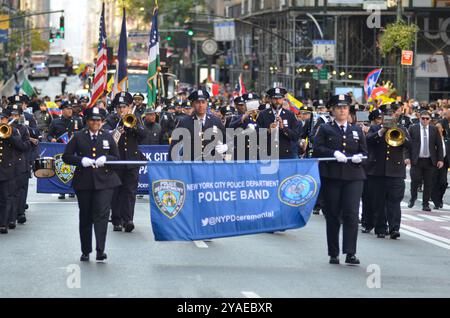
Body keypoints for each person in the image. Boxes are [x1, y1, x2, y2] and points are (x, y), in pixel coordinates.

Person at [313, 94, 368, 265]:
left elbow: (365, 152)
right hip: (333, 176)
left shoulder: (356, 130)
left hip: (353, 176)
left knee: (351, 214)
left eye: (345, 108)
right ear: (333, 110)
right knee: (333, 215)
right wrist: (333, 153)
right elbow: (317, 148)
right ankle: (333, 253)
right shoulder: (325, 129)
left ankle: (350, 252)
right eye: (339, 108)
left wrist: (360, 156)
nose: (342, 111)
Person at [62, 106, 121, 262]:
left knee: (102, 215)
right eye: (92, 120)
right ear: (87, 121)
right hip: (85, 181)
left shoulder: (108, 137)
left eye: (98, 120)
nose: (96, 123)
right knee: (86, 216)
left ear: (102, 122)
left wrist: (106, 160)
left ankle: (100, 250)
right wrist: (80, 160)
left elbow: (117, 157)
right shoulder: (78, 136)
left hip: (105, 181)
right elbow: (66, 156)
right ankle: (86, 250)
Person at [364, 108, 411, 239]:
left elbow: (410, 145)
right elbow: (368, 140)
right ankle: (380, 228)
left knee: (395, 201)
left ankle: (394, 228)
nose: (390, 119)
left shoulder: (402, 129)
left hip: (396, 172)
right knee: (378, 202)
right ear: (383, 118)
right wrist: (382, 130)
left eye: (392, 117)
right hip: (378, 172)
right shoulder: (375, 129)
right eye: (387, 117)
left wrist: (400, 132)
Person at [103, 92, 146, 233]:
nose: (122, 110)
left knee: (130, 191)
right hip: (116, 160)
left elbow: (142, 135)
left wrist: (132, 126)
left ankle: (128, 220)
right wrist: (116, 130)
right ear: (116, 108)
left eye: (125, 106)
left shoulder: (135, 118)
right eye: (119, 107)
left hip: (132, 160)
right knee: (116, 191)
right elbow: (104, 134)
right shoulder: (111, 119)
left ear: (130, 107)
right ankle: (116, 220)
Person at [169, 89, 227, 162]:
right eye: (197, 102)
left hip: (211, 165)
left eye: (203, 102)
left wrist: (226, 146)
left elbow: (227, 139)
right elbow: (174, 145)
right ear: (193, 104)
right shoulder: (184, 122)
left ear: (207, 104)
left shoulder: (215, 121)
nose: (201, 105)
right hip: (191, 165)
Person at [406, 110, 444, 211]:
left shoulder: (434, 129)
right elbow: (407, 145)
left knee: (428, 183)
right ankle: (413, 197)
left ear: (430, 119)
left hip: (430, 160)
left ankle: (425, 204)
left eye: (427, 119)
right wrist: (407, 157)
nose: (425, 120)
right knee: (415, 180)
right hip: (416, 160)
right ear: (420, 118)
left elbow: (439, 145)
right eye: (423, 118)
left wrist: (440, 159)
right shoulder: (413, 128)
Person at [0, 109, 29, 234]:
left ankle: (3, 223)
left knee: (5, 197)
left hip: (7, 169)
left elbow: (22, 146)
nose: (1, 121)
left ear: (7, 120)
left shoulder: (14, 130)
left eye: (3, 119)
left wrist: (9, 134)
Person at [257, 88, 299, 160]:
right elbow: (256, 135)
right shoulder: (263, 114)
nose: (277, 101)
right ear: (270, 99)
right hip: (268, 154)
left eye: (280, 98)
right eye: (274, 98)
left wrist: (283, 128)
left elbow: (295, 136)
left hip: (285, 154)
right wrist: (268, 130)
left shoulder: (290, 115)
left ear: (283, 99)